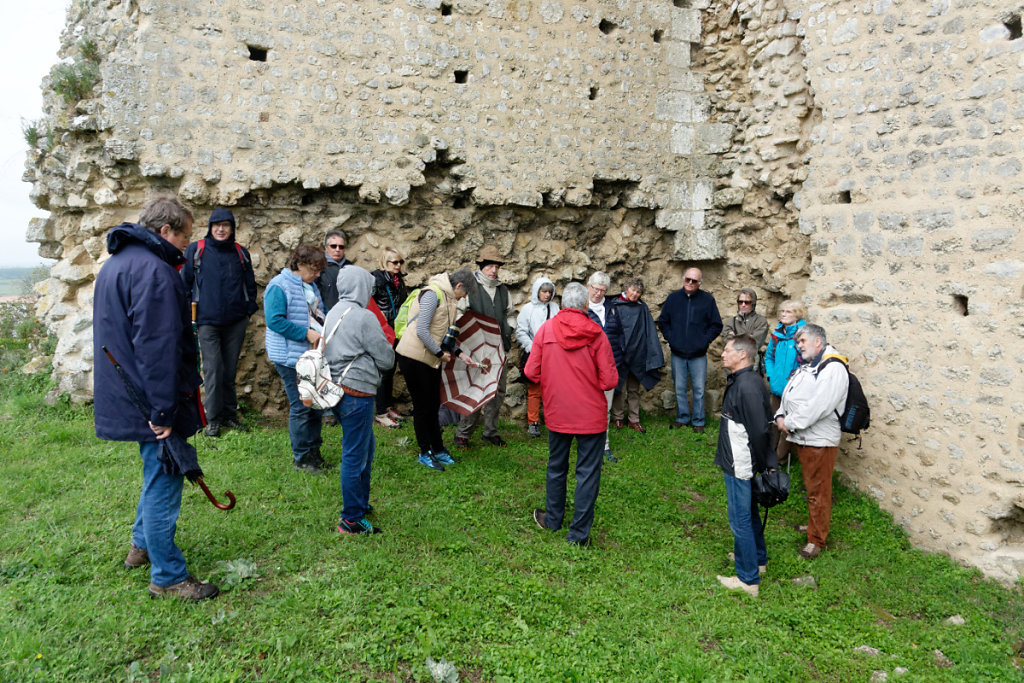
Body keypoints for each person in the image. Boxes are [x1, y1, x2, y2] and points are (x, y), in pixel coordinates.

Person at [92, 195, 219, 601]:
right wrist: (164, 410)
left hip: (129, 392)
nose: (188, 244)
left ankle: (141, 546)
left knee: (154, 471)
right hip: (150, 398)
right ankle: (168, 577)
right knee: (165, 477)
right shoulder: (156, 272)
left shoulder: (114, 266)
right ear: (165, 231)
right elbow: (156, 347)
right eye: (185, 235)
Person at [526, 282, 618, 546]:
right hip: (590, 415)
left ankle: (553, 520)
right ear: (586, 305)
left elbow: (531, 372)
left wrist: (554, 379)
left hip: (558, 411)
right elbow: (610, 379)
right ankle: (578, 536)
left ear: (563, 304)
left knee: (556, 466)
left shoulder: (546, 330)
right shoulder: (597, 334)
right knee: (587, 472)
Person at [323, 266, 395, 535]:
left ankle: (359, 504)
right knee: (355, 456)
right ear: (361, 287)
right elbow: (387, 358)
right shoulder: (364, 317)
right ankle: (351, 519)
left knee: (365, 449)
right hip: (357, 393)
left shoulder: (334, 311)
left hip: (339, 392)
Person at [181, 208, 258, 437]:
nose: (221, 229)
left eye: (226, 225)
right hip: (207, 322)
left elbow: (250, 285)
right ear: (210, 228)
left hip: (235, 322)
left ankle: (229, 414)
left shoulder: (240, 252)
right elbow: (184, 283)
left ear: (232, 228)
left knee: (229, 370)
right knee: (213, 369)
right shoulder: (197, 250)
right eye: (217, 225)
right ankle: (213, 418)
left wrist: (247, 311)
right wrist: (188, 313)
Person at [774, 324, 848, 560]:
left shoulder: (833, 368)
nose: (799, 345)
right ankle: (814, 525)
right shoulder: (812, 365)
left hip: (819, 440)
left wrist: (789, 423)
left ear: (818, 341)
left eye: (803, 341)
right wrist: (780, 414)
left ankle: (816, 540)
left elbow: (819, 406)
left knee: (818, 490)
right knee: (812, 487)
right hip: (806, 437)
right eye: (798, 342)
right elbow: (792, 394)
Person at [395, 268, 479, 471]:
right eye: (465, 293)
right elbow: (422, 330)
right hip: (414, 358)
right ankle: (425, 452)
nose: (464, 297)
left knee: (433, 405)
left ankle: (438, 449)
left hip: (430, 358)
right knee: (423, 407)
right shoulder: (433, 294)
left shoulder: (450, 299)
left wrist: (460, 354)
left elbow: (444, 334)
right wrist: (440, 354)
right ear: (458, 286)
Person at [714, 334, 776, 598]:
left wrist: (768, 464)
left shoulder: (747, 386)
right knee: (749, 512)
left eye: (727, 350)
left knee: (739, 518)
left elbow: (760, 430)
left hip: (740, 463)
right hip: (739, 460)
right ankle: (758, 560)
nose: (722, 354)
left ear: (742, 355)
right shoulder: (744, 380)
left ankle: (748, 579)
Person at [264, 244, 330, 474]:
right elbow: (275, 321)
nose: (317, 274)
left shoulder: (309, 286)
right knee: (302, 406)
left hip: (310, 354)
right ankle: (302, 459)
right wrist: (305, 333)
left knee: (315, 406)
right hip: (290, 357)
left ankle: (314, 453)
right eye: (314, 269)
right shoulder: (278, 287)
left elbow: (315, 313)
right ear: (299, 265)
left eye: (319, 270)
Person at [454, 245, 516, 449]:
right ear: (481, 266)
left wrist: (509, 328)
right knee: (476, 390)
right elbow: (458, 316)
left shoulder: (502, 290)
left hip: (500, 349)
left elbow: (510, 314)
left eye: (496, 266)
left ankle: (490, 432)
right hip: (477, 351)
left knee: (497, 392)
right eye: (490, 265)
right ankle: (463, 434)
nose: (494, 270)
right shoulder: (471, 288)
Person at [658, 267, 723, 434]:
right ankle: (682, 418)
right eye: (688, 279)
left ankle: (699, 421)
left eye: (694, 281)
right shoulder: (673, 298)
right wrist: (672, 338)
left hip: (698, 354)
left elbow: (716, 325)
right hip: (678, 353)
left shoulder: (708, 300)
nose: (690, 283)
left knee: (699, 389)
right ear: (683, 279)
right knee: (679, 387)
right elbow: (664, 321)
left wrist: (704, 340)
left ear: (700, 283)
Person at [606, 277, 664, 434]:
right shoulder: (614, 305)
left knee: (633, 389)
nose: (635, 294)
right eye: (633, 290)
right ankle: (617, 418)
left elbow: (648, 331)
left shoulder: (641, 308)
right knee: (619, 387)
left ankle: (634, 419)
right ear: (626, 289)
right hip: (619, 352)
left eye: (638, 292)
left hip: (636, 353)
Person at [515, 276, 559, 438]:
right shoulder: (528, 309)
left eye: (549, 292)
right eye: (543, 291)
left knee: (552, 389)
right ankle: (533, 422)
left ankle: (552, 419)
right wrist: (532, 348)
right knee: (535, 389)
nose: (547, 295)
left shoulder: (555, 308)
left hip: (553, 354)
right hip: (534, 354)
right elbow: (521, 331)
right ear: (537, 292)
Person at [370, 246, 409, 429]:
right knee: (383, 372)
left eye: (400, 261)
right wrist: (379, 317)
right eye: (394, 262)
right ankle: (381, 413)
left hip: (396, 330)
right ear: (384, 263)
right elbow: (367, 303)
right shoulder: (376, 279)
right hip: (382, 331)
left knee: (391, 371)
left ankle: (387, 406)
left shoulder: (398, 281)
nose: (398, 265)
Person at [764, 300, 807, 462]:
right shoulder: (777, 334)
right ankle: (770, 453)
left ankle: (779, 458)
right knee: (774, 421)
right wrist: (771, 376)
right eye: (782, 311)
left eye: (788, 312)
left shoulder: (802, 334)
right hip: (776, 386)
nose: (783, 314)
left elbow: (806, 360)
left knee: (786, 425)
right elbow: (769, 357)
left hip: (793, 389)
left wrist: (795, 379)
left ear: (797, 314)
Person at [585, 271, 618, 462]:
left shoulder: (612, 309)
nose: (598, 293)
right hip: (587, 366)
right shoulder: (581, 309)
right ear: (589, 287)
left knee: (605, 406)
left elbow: (618, 335)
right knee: (586, 405)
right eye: (596, 289)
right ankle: (586, 442)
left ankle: (604, 444)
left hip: (608, 365)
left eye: (603, 290)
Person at [721, 288, 769, 372]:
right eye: (740, 302)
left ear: (753, 303)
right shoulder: (730, 322)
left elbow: (755, 343)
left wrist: (735, 337)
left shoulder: (761, 321)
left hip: (752, 364)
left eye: (747, 302)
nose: (743, 305)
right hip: (733, 364)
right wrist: (747, 337)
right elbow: (727, 341)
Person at [315, 230, 350, 312]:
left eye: (341, 247)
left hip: (348, 314)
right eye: (333, 246)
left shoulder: (350, 267)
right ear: (326, 247)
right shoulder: (318, 266)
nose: (337, 250)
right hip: (327, 315)